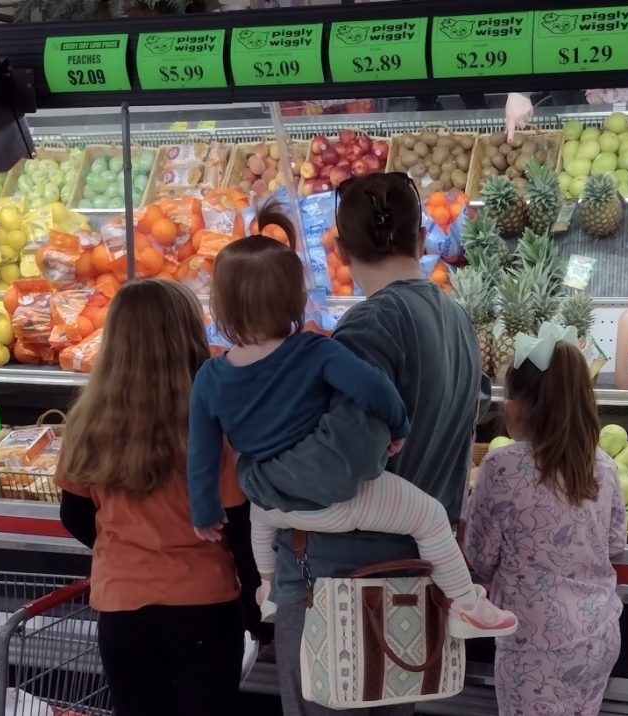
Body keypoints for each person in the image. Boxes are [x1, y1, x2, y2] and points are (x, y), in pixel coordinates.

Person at [187, 202, 517, 639]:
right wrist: (398, 426)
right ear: (297, 299)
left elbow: (202, 453)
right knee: (430, 517)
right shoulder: (315, 351)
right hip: (338, 505)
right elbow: (375, 388)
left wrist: (205, 510)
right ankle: (466, 603)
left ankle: (267, 588)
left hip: (274, 504)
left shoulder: (210, 376)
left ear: (220, 306)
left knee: (260, 523)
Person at [235, 173, 483, 716]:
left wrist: (255, 478)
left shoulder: (371, 324)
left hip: (341, 588)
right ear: (421, 239)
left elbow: (339, 465)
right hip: (410, 582)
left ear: (341, 250)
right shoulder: (456, 320)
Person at [56, 279, 261, 716]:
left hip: (121, 607)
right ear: (189, 332)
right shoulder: (215, 415)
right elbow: (238, 520)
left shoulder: (87, 419)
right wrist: (255, 602)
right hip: (204, 603)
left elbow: (73, 513)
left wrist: (127, 549)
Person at [464, 322, 626, 716]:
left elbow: (479, 557)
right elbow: (615, 545)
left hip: (535, 643)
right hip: (599, 635)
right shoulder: (603, 466)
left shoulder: (502, 467)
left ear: (517, 405)